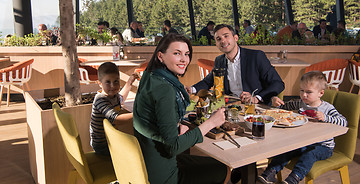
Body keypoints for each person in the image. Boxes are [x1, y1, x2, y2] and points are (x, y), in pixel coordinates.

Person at [133, 33, 230, 184]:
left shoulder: (150, 77)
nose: (184, 59)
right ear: (161, 56)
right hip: (164, 174)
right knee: (223, 168)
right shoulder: (165, 89)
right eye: (177, 53)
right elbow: (173, 147)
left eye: (186, 54)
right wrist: (211, 123)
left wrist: (176, 126)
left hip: (146, 163)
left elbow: (154, 119)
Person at [259, 71, 347, 184]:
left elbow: (344, 122)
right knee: (286, 149)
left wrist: (326, 117)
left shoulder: (327, 108)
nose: (304, 95)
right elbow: (284, 107)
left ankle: (294, 178)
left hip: (323, 146)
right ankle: (269, 173)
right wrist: (276, 102)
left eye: (308, 92)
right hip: (303, 142)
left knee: (309, 155)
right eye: (302, 90)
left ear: (321, 93)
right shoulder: (300, 103)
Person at [189, 24, 284, 105]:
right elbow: (207, 82)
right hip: (230, 105)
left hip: (254, 106)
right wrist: (191, 89)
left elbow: (278, 83)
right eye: (218, 39)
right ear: (216, 44)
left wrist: (257, 98)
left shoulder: (256, 56)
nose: (223, 41)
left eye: (226, 36)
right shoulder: (219, 61)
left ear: (236, 38)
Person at [90, 62, 138, 156]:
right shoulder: (100, 99)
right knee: (135, 150)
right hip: (102, 145)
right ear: (100, 83)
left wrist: (129, 82)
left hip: (111, 139)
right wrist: (139, 114)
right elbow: (116, 119)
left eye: (116, 81)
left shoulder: (113, 96)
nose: (113, 86)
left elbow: (121, 98)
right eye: (108, 82)